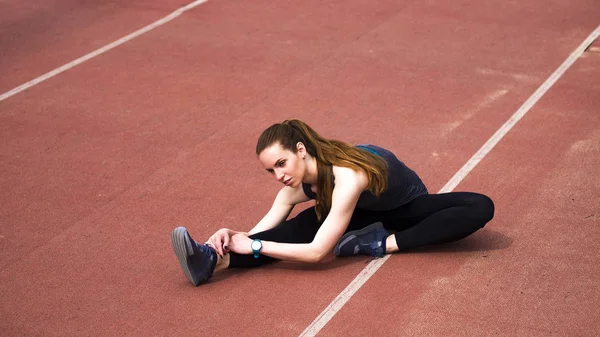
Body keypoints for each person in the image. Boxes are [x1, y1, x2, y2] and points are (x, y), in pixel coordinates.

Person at [170, 119, 495, 286]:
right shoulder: (293, 190)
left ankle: (380, 242)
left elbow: (316, 253)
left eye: (281, 164)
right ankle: (210, 261)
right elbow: (261, 236)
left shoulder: (348, 176)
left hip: (405, 213)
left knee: (479, 206)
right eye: (271, 170)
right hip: (357, 212)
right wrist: (230, 239)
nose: (278, 175)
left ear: (300, 150)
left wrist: (255, 247)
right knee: (298, 226)